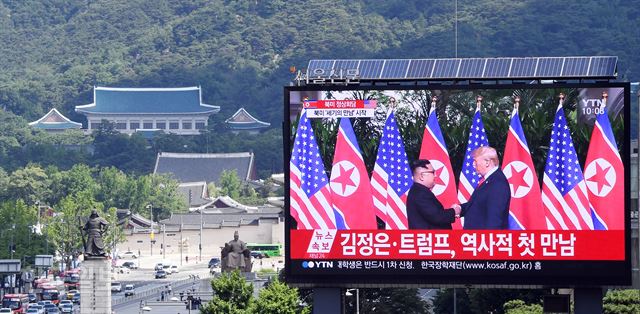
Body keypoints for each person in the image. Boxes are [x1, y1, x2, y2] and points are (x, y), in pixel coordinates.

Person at [453, 146, 510, 229]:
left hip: (484, 239)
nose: (473, 164)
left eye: (475, 161)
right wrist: (460, 208)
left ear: (487, 162)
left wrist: (488, 239)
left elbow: (494, 220)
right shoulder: (489, 180)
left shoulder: (497, 183)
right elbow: (478, 204)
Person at [407, 159, 460, 229]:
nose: (435, 175)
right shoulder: (420, 193)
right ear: (422, 176)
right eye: (433, 172)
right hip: (429, 239)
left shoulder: (419, 191)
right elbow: (437, 217)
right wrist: (454, 211)